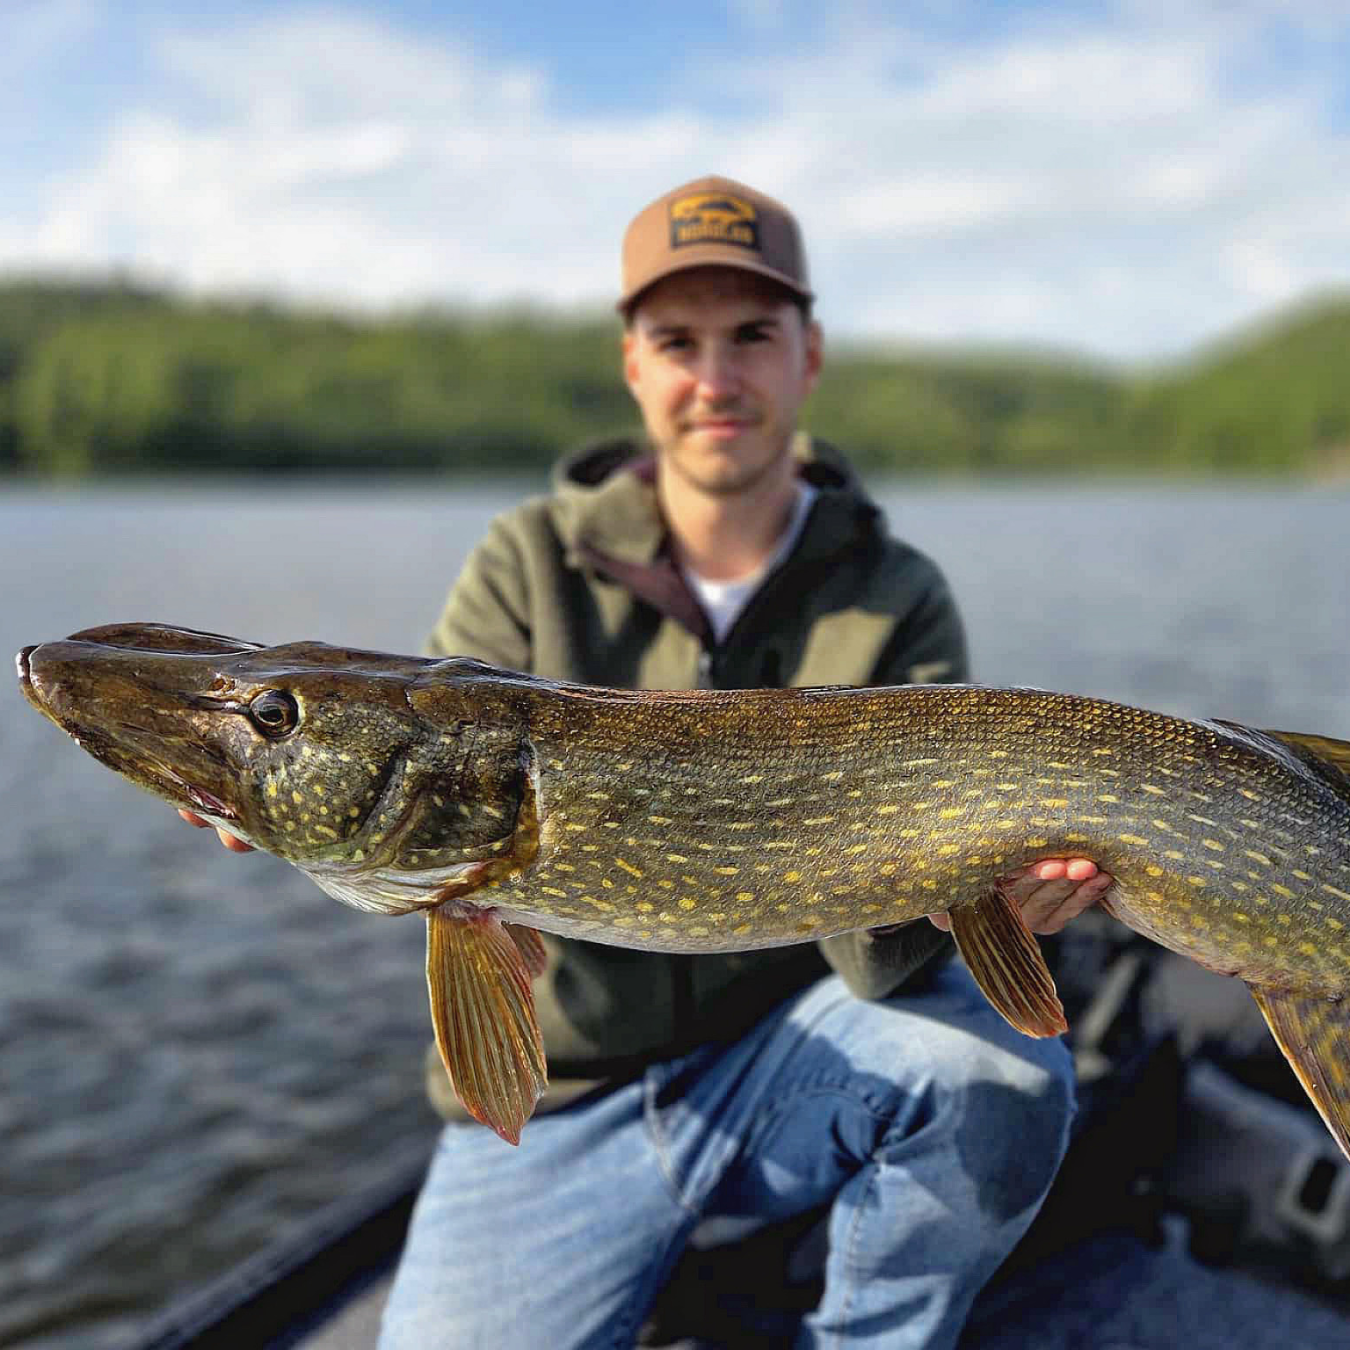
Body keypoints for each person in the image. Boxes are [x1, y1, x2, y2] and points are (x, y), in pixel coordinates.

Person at [182, 175, 1110, 1348]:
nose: (715, 379)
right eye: (678, 341)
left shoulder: (895, 594)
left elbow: (884, 963)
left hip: (799, 1053)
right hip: (568, 1103)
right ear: (634, 366)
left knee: (1007, 1083)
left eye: (751, 337)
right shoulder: (526, 564)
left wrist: (985, 896)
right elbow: (419, 800)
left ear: (808, 356)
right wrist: (281, 797)